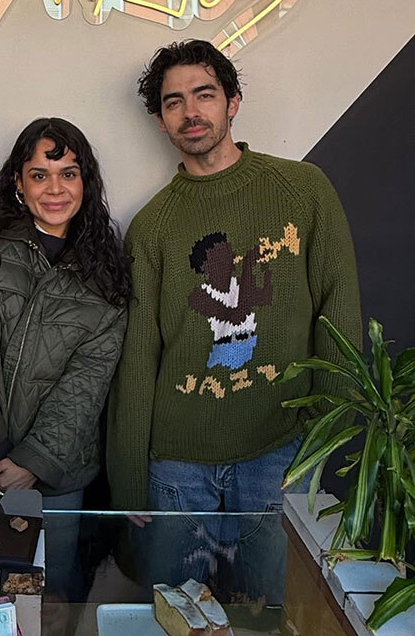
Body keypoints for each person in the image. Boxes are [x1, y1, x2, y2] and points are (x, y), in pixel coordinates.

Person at [106, 40, 361, 595]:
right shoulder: (151, 226)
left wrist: (327, 431)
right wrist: (126, 476)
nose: (190, 112)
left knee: (278, 611)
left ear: (233, 102)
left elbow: (337, 312)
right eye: (173, 102)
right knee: (175, 614)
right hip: (177, 462)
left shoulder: (303, 190)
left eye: (204, 94)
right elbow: (139, 358)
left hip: (281, 449)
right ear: (160, 119)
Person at [0, 117, 131, 508]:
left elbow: (88, 382)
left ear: (86, 182)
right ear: (19, 182)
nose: (55, 189)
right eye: (39, 175)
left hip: (55, 467)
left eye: (68, 174)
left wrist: (33, 460)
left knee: (50, 553)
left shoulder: (105, 271)